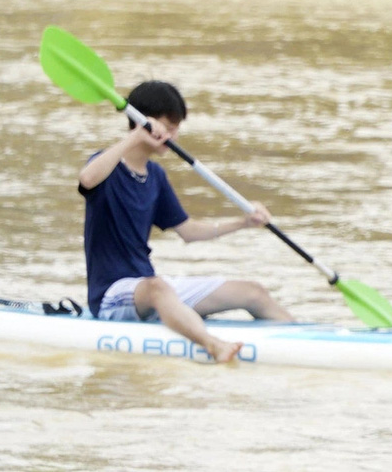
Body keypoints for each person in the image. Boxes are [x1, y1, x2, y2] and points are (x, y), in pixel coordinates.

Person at [78, 80, 294, 362]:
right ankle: (213, 345)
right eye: (169, 127)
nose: (173, 136)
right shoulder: (106, 165)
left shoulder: (155, 177)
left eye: (176, 128)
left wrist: (243, 222)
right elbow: (87, 179)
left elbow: (189, 231)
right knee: (158, 287)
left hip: (150, 286)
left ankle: (304, 341)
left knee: (253, 292)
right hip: (111, 294)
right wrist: (134, 136)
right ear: (143, 122)